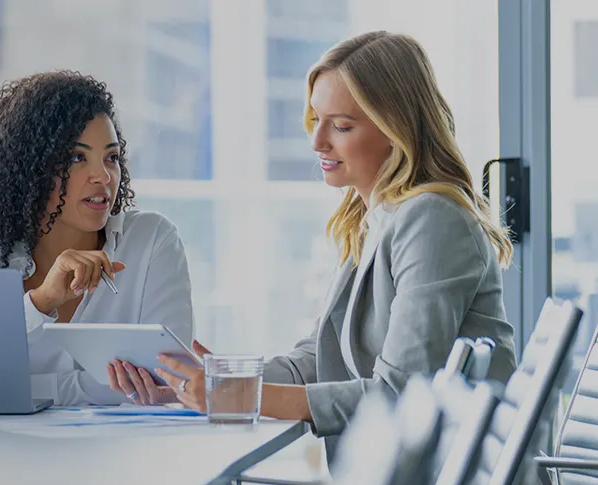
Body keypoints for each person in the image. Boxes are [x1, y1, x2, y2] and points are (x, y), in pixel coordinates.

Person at [149, 31, 518, 459]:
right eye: (316, 120)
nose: (317, 141)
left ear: (394, 129)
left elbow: (400, 395)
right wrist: (212, 381)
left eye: (341, 126)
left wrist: (243, 397)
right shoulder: (373, 217)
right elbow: (318, 357)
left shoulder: (432, 220)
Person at [0, 70, 195, 407]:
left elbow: (172, 378)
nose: (102, 175)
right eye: (77, 158)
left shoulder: (152, 242)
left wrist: (24, 389)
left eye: (111, 158)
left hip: (124, 454)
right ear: (31, 168)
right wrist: (41, 302)